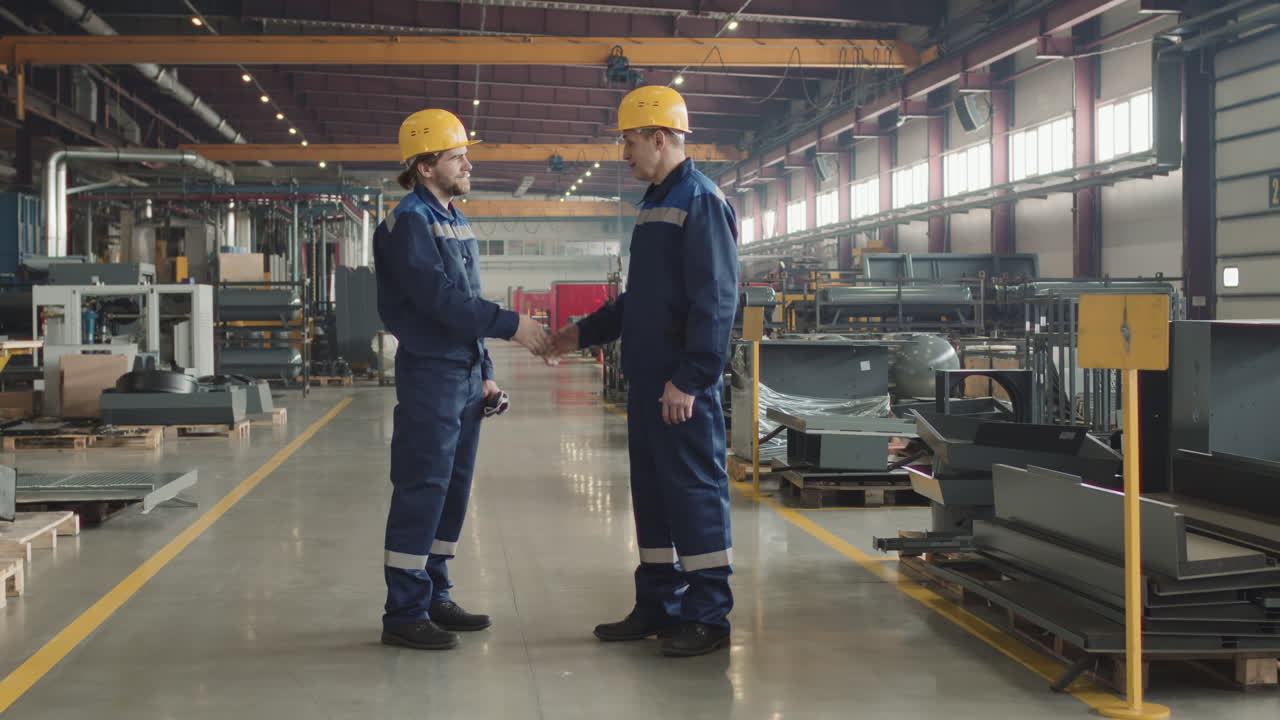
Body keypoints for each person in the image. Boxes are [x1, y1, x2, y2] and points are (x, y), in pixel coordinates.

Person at [545, 86, 740, 657]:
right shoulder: (656, 203)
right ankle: (659, 602)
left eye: (629, 142)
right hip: (648, 382)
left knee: (695, 495)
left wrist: (692, 377)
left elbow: (716, 298)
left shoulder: (699, 200)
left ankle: (708, 615)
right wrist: (582, 333)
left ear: (660, 137)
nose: (623, 153)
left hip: (680, 386)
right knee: (652, 498)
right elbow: (642, 299)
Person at [373, 108, 549, 650]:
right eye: (457, 157)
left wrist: (488, 374)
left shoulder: (453, 217)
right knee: (422, 487)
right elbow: (441, 302)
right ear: (425, 167)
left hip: (465, 374)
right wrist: (512, 325)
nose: (468, 164)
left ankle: (435, 594)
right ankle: (403, 612)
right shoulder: (409, 222)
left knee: (452, 489)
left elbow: (465, 300)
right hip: (430, 372)